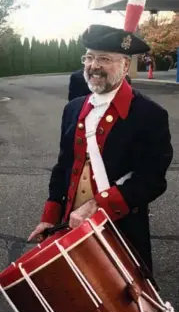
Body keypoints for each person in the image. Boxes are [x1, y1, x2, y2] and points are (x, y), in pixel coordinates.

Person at [28, 24, 173, 274]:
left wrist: (96, 205)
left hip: (121, 231)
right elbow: (64, 166)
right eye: (89, 57)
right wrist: (50, 216)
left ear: (125, 66)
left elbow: (152, 180)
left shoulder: (149, 115)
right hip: (71, 227)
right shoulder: (73, 108)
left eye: (104, 59)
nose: (94, 66)